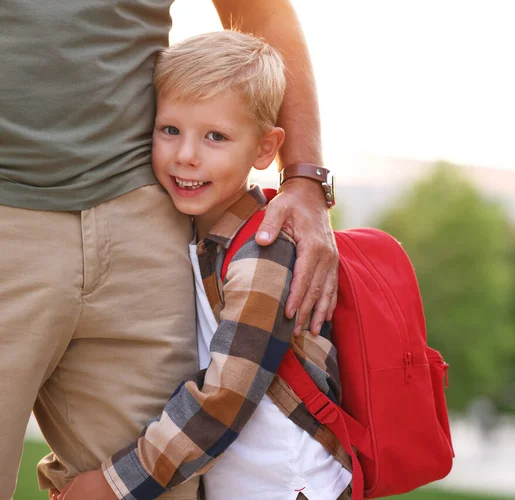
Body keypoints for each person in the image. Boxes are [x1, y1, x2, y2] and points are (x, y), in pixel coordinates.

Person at [0, 1, 337, 498]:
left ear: (265, 148)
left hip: (290, 485)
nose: (186, 155)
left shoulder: (262, 250)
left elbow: (222, 400)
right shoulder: (206, 239)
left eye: (216, 137)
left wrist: (307, 179)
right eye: (171, 130)